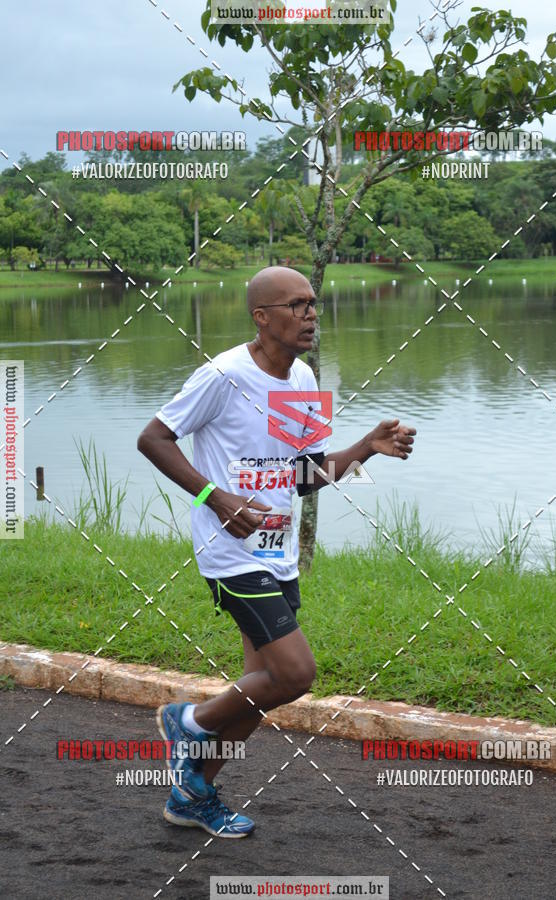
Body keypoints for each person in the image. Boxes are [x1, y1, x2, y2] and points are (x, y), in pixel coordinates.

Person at [137, 265, 416, 837]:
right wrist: (215, 498)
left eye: (313, 304)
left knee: (255, 696)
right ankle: (185, 719)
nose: (310, 314)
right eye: (296, 305)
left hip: (278, 551)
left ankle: (193, 797)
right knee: (296, 674)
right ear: (261, 317)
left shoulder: (304, 379)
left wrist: (368, 447)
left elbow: (305, 475)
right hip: (230, 551)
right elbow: (153, 438)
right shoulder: (223, 375)